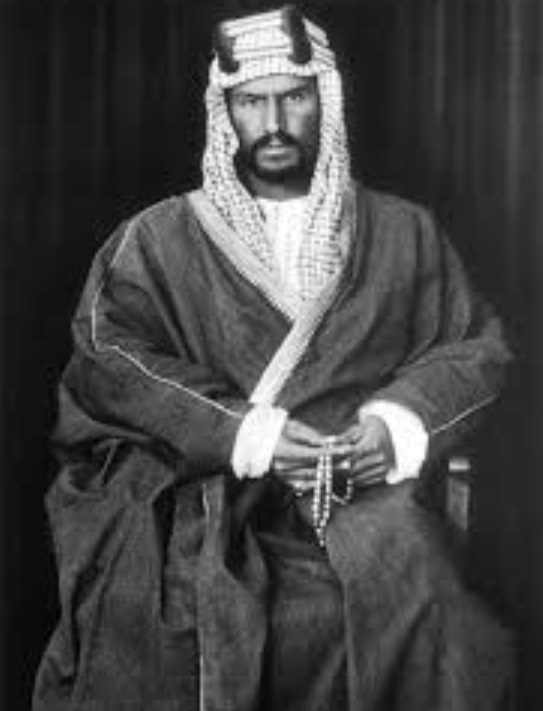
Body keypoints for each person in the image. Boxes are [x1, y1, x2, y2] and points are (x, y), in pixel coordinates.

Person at [33, 5, 515, 710]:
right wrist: (249, 435)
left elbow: (475, 349)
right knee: (168, 614)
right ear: (225, 113)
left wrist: (394, 426)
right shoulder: (155, 238)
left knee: (441, 614)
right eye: (251, 102)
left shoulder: (404, 231)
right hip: (206, 498)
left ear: (327, 102)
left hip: (358, 497)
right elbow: (108, 357)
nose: (275, 121)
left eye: (294, 97)